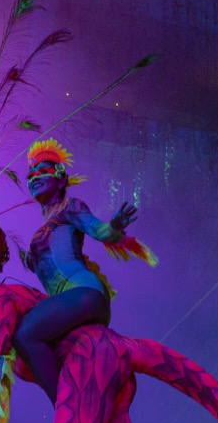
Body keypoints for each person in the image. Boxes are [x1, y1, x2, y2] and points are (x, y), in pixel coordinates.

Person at [14, 139, 153, 404]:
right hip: (72, 300)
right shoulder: (43, 226)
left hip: (84, 294)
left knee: (24, 334)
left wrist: (114, 226)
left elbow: (99, 230)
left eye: (42, 171)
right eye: (30, 176)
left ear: (61, 179)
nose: (34, 178)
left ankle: (64, 405)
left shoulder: (70, 207)